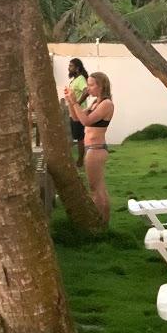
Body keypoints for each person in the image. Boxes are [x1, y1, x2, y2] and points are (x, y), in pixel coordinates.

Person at [64, 71, 114, 224]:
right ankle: (103, 222)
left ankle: (101, 222)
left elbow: (86, 121)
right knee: (98, 188)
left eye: (91, 85)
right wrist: (70, 101)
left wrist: (75, 102)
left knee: (96, 189)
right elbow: (76, 118)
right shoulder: (95, 103)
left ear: (101, 86)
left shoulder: (106, 104)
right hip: (92, 149)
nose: (88, 88)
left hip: (96, 150)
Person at [65, 59, 91, 165]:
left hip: (79, 113)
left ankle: (80, 160)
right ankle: (80, 159)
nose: (69, 68)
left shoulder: (80, 79)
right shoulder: (75, 80)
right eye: (69, 65)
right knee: (77, 137)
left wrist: (77, 104)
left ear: (77, 68)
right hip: (73, 112)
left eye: (71, 66)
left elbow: (86, 91)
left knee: (80, 137)